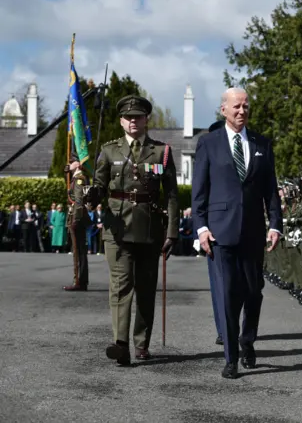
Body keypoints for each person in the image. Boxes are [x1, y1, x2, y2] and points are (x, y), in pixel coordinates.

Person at [192, 87, 283, 379]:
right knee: (228, 294)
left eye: (245, 106)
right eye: (236, 107)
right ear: (223, 110)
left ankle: (248, 340)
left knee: (254, 292)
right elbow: (199, 192)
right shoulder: (209, 143)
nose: (242, 111)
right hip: (221, 233)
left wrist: (276, 224)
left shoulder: (262, 144)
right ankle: (231, 357)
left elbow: (271, 191)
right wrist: (202, 228)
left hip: (254, 231)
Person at [88, 95, 179, 366]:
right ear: (120, 121)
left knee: (146, 288)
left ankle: (141, 343)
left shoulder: (161, 151)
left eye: (138, 117)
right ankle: (121, 344)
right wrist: (91, 195)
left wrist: (172, 232)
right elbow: (99, 187)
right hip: (117, 228)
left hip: (149, 229)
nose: (133, 121)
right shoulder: (109, 150)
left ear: (145, 119)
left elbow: (172, 195)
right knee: (120, 286)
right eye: (128, 117)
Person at [63, 158, 91, 291]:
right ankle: (81, 280)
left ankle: (79, 281)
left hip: (77, 217)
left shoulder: (79, 179)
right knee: (79, 250)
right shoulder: (75, 178)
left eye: (71, 161)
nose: (68, 164)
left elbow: (79, 201)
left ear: (78, 164)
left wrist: (76, 219)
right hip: (76, 216)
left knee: (78, 251)